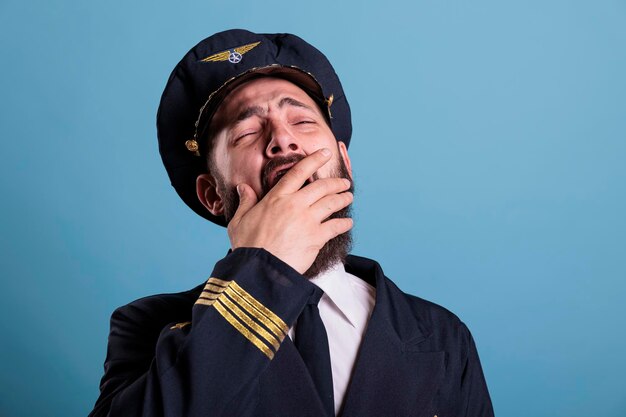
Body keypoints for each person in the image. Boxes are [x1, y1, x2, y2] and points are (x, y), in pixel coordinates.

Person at [90, 29, 495, 417]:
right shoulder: (145, 327)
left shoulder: (443, 336)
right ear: (212, 194)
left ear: (344, 165)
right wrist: (261, 268)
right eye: (247, 132)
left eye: (302, 122)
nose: (283, 140)